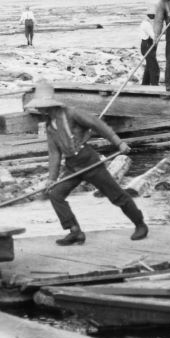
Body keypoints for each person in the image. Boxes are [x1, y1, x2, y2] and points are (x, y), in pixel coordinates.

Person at [25, 79, 149, 245]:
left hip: (89, 161)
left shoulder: (72, 113)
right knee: (56, 194)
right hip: (72, 165)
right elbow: (54, 153)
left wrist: (118, 142)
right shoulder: (49, 127)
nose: (39, 109)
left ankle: (140, 224)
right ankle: (75, 231)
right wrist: (51, 178)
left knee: (116, 195)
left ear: (48, 105)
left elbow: (97, 124)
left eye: (40, 106)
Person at [138, 10, 160, 86]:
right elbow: (154, 36)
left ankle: (144, 84)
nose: (155, 16)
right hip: (147, 47)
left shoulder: (146, 23)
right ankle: (155, 86)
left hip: (146, 47)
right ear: (149, 15)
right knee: (155, 68)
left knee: (148, 67)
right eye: (154, 15)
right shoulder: (146, 24)